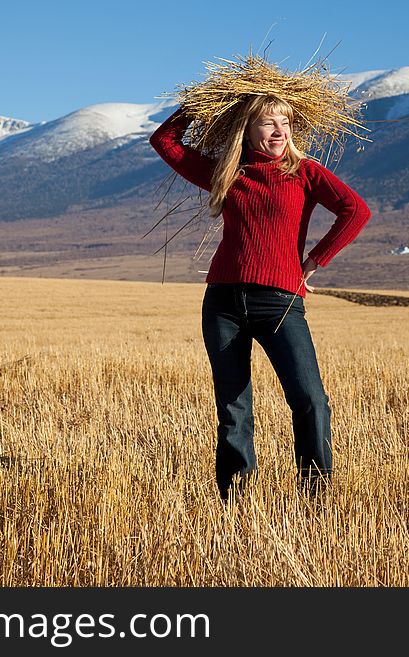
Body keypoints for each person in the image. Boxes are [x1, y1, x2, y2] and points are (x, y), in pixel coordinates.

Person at [149, 94, 372, 501]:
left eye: (285, 123)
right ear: (247, 130)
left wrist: (314, 261)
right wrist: (207, 101)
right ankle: (238, 505)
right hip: (223, 305)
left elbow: (355, 210)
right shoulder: (227, 172)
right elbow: (165, 141)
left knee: (310, 400)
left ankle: (315, 500)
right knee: (234, 409)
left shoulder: (304, 172)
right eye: (268, 123)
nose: (279, 132)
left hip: (280, 303)